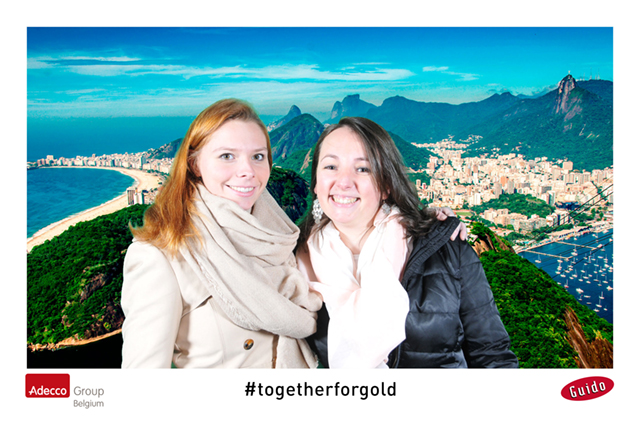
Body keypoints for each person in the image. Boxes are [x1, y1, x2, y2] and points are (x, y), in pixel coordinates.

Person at [296, 116, 519, 369]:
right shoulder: (293, 262)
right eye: (330, 166)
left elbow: (493, 356)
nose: (344, 182)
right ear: (316, 183)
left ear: (386, 186)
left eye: (363, 169)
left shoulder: (447, 247)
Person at [121, 99, 323, 368]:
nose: (247, 171)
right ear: (195, 165)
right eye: (227, 156)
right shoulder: (161, 256)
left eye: (258, 157)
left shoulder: (279, 238)